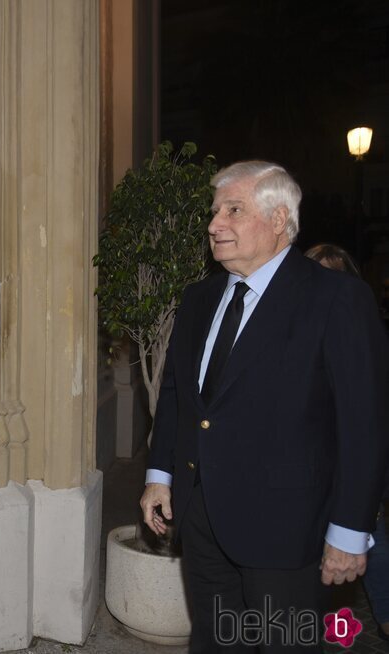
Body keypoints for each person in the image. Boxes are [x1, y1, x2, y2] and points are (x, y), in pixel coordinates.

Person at [140, 161, 388, 652]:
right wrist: (158, 477)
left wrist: (351, 530)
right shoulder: (198, 299)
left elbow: (366, 425)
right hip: (202, 520)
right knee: (215, 642)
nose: (214, 223)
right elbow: (177, 396)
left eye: (234, 209)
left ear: (279, 220)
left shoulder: (336, 298)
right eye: (215, 211)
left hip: (289, 532)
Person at [305, 243, 389, 642]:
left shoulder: (366, 335)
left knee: (373, 558)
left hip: (357, 484)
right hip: (307, 485)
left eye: (336, 276)